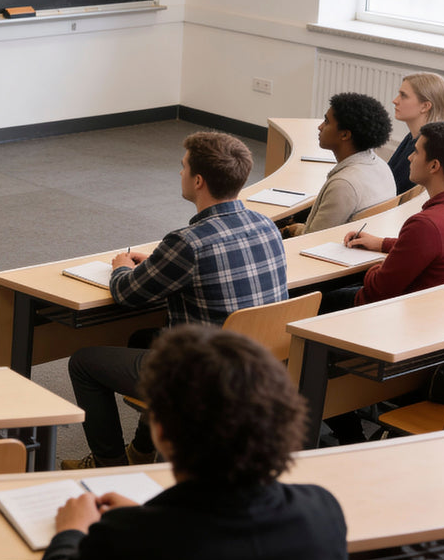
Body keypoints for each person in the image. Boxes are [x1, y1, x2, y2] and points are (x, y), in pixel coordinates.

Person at [0, 325, 347, 560]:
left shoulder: (125, 538)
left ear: (160, 430)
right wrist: (146, 516)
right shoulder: (323, 511)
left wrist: (70, 534)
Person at [63, 132, 288, 469]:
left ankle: (108, 466)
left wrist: (122, 267)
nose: (179, 173)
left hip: (205, 375)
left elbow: (127, 294)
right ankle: (141, 450)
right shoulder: (265, 224)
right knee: (143, 340)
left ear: (198, 181)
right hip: (261, 363)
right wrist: (158, 262)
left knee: (83, 362)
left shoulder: (187, 242)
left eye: (182, 167)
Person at [325, 120, 444, 310]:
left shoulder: (427, 224)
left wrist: (375, 268)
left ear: (433, 166)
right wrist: (383, 244)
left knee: (317, 296)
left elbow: (377, 292)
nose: (409, 158)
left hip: (400, 316)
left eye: (416, 152)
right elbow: (427, 247)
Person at [282, 92, 394, 237]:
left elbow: (313, 237)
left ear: (345, 135)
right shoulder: (381, 165)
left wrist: (291, 229)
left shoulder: (343, 184)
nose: (320, 127)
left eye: (327, 122)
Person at [389, 73, 444, 194]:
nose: (395, 101)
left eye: (403, 96)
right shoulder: (412, 137)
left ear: (425, 106)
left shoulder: (427, 147)